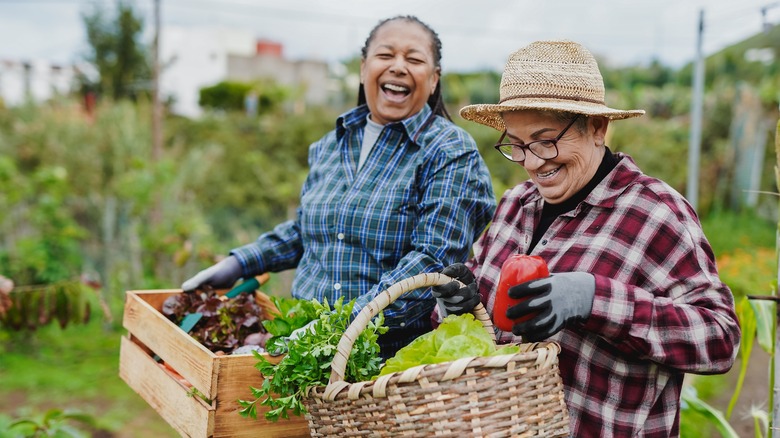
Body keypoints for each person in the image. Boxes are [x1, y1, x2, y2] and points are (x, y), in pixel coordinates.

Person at [432, 39, 740, 437]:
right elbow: (489, 326)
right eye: (518, 144)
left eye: (546, 140)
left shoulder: (654, 212)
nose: (531, 161)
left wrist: (595, 299)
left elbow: (719, 339)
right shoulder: (514, 204)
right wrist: (458, 305)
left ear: (597, 127)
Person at [182, 15, 496, 359]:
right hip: (298, 347)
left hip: (382, 360)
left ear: (433, 80)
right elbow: (308, 231)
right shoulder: (331, 145)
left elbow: (431, 262)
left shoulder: (449, 151)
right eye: (385, 54)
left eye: (415, 59)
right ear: (363, 69)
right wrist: (241, 263)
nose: (398, 67)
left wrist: (338, 327)